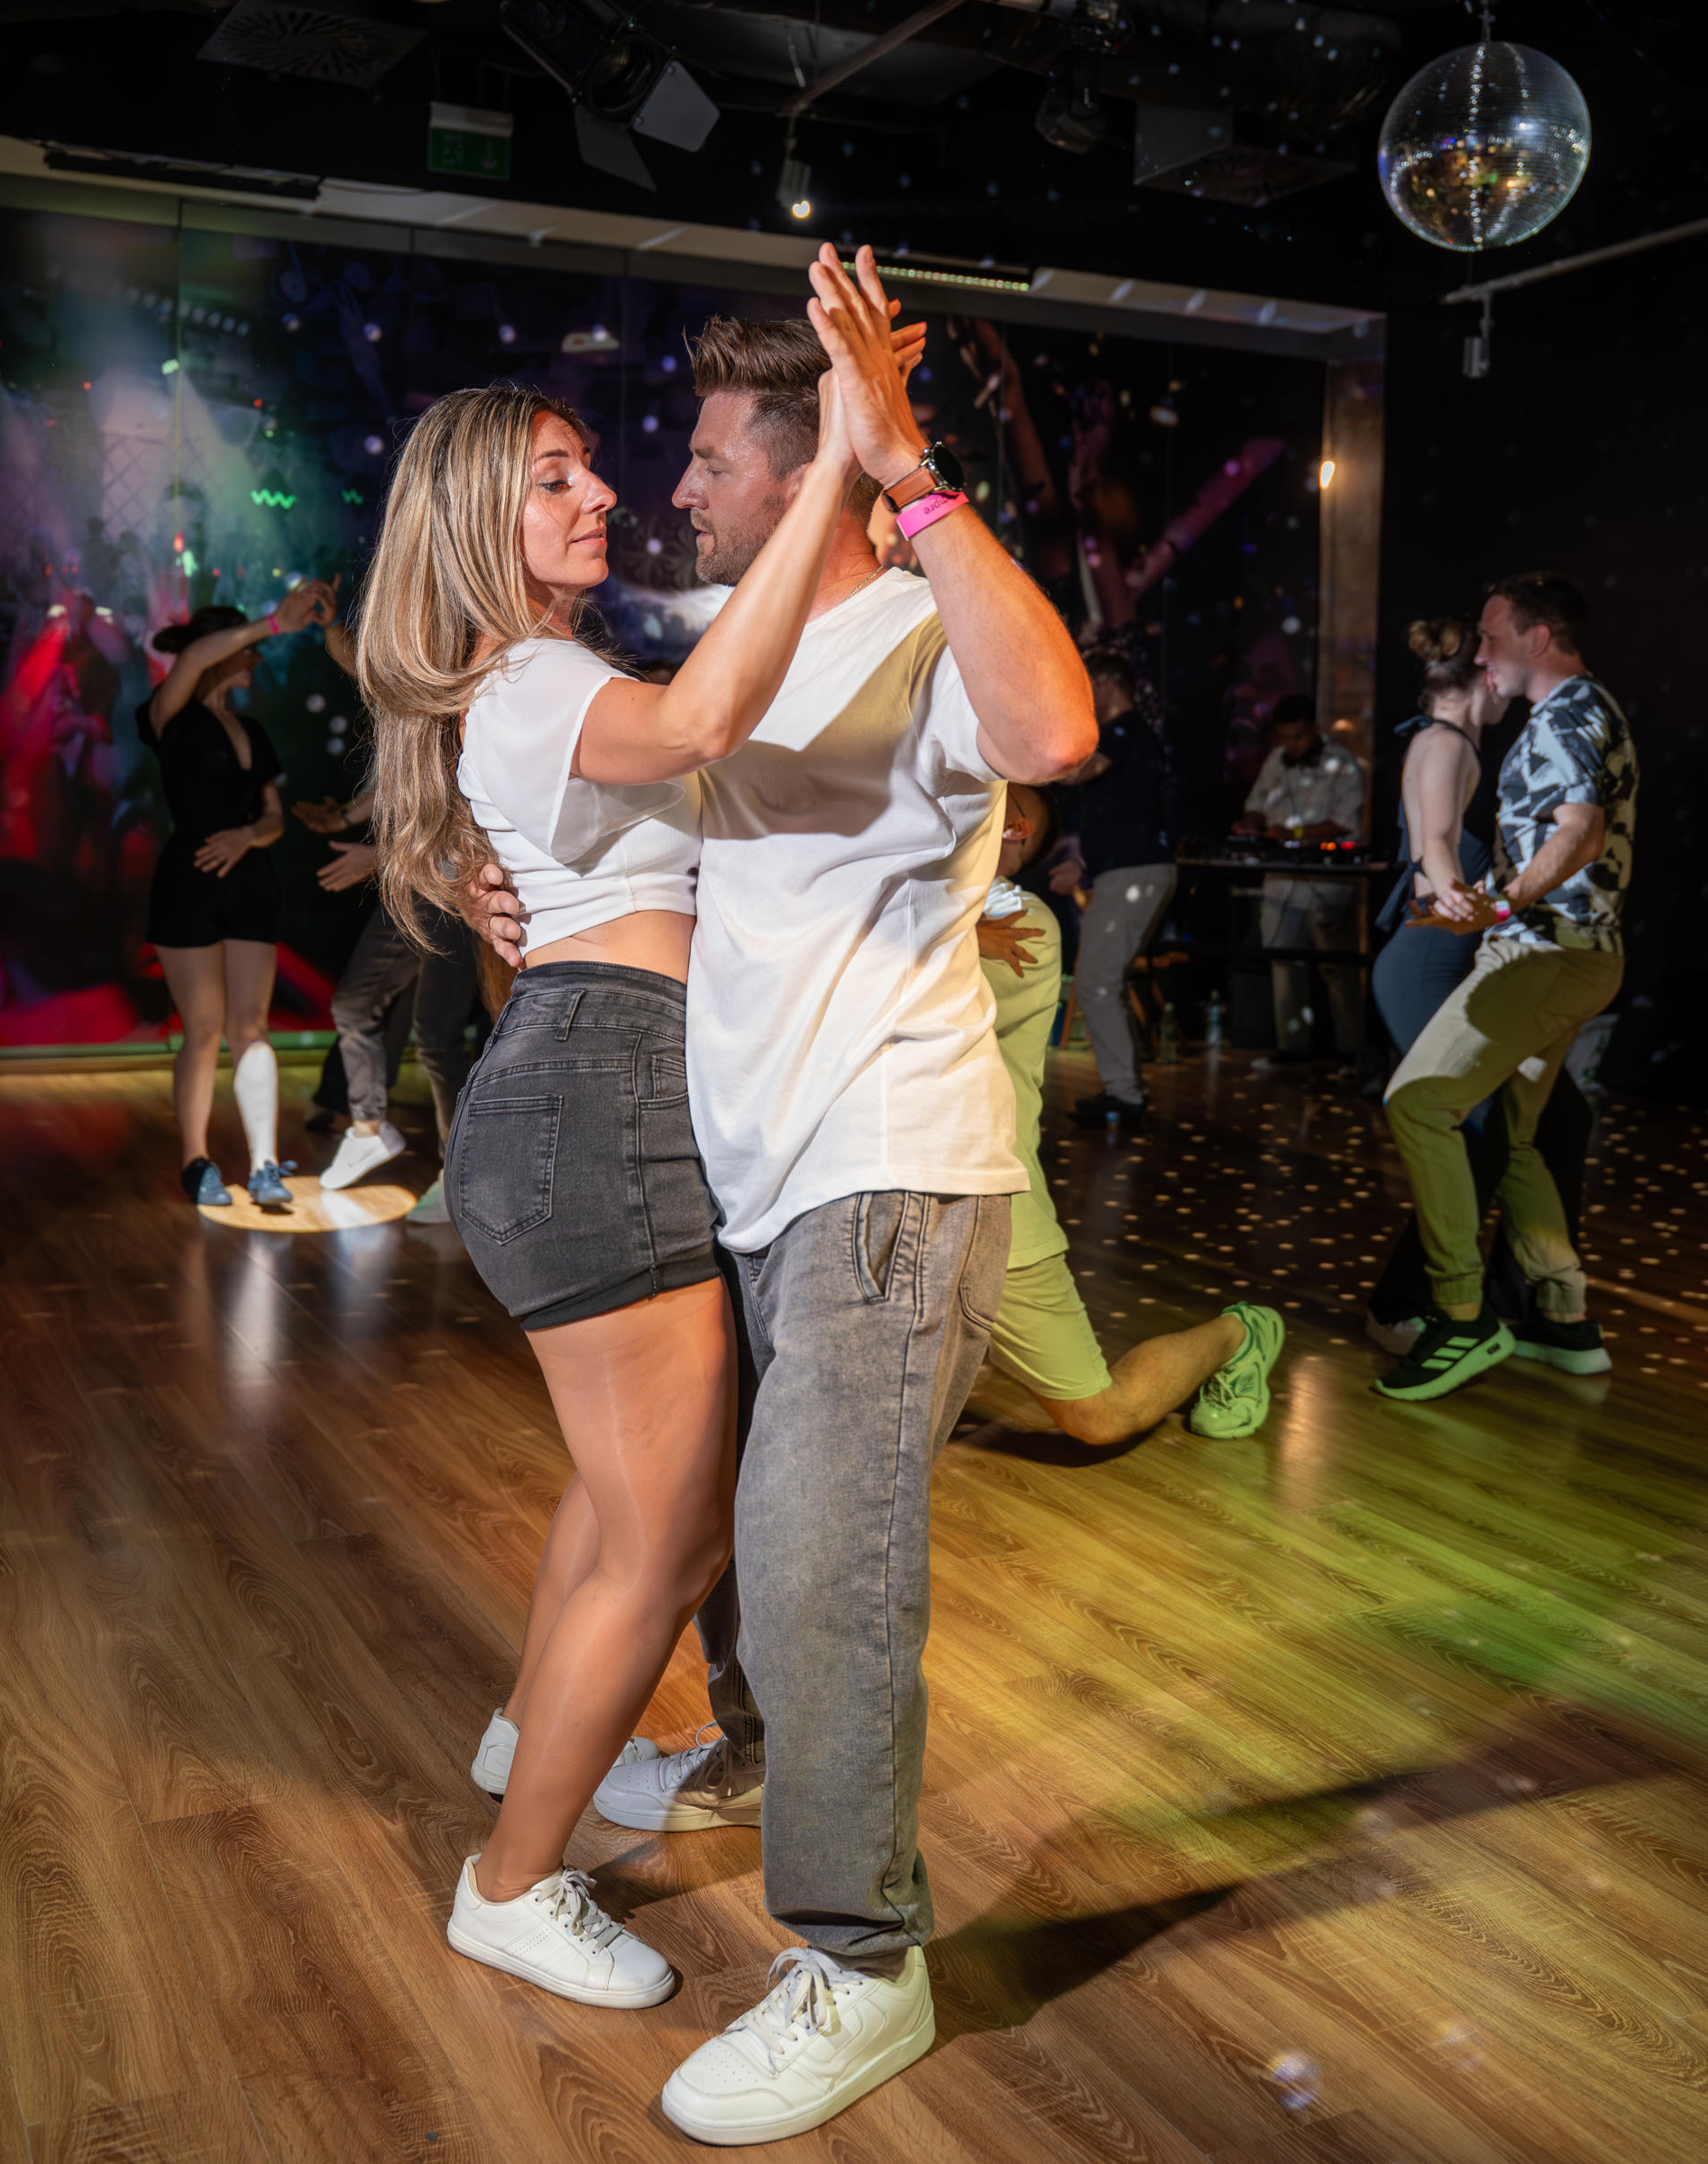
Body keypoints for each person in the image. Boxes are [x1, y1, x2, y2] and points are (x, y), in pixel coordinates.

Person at [473, 244, 1097, 2144]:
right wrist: (493, 894)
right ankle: (751, 1760)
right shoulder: (740, 659)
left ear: (806, 458)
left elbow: (1052, 738)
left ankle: (861, 1962)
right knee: (750, 1540)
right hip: (752, 1176)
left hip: (881, 1163)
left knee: (826, 1561)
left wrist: (906, 467)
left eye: (709, 456)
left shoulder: (915, 613)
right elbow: (642, 848)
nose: (674, 485)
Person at [363, 252, 940, 2057]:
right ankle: (511, 1879)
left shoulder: (536, 681)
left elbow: (690, 821)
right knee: (672, 1534)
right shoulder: (536, 679)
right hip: (597, 1101)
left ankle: (536, 1742)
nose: (604, 489)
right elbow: (701, 729)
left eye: (590, 466)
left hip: (597, 1091)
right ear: (476, 521)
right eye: (554, 478)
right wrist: (844, 469)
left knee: (619, 1509)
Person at [1375, 573, 1637, 1402]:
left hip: (1541, 955)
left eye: (1492, 637)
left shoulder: (1567, 713)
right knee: (1516, 1138)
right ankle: (1563, 1319)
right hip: (1570, 953)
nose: (1480, 652)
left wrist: (1503, 903)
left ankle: (1460, 1316)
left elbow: (1581, 833)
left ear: (1538, 636)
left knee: (1418, 1103)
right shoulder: (1574, 713)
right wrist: (1482, 901)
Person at [978, 784, 1285, 1441]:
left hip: (990, 1205)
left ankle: (1240, 1333)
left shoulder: (1020, 921)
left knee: (1098, 1415)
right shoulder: (919, 906)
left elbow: (907, 1002)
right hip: (889, 1194)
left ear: (1017, 832)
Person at [138, 582, 335, 1206]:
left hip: (251, 881)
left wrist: (248, 836)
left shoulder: (251, 728)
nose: (253, 657)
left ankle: (265, 1165)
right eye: (244, 648)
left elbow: (272, 818)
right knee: (203, 1029)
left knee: (251, 1024)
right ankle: (195, 1163)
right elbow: (194, 659)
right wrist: (273, 623)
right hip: (190, 878)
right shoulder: (168, 716)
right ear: (221, 649)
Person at [295, 617, 477, 1220]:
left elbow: (459, 800)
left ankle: (458, 1174)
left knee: (438, 1034)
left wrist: (374, 855)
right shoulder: (414, 696)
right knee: (358, 1006)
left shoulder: (459, 696)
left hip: (455, 887)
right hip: (418, 883)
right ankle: (371, 1129)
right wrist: (345, 818)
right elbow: (402, 778)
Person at [1057, 647, 1178, 1130]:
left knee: (1096, 982)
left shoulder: (1124, 731)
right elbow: (1123, 814)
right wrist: (1084, 865)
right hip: (1128, 872)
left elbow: (1079, 771)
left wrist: (1023, 759)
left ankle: (1124, 1094)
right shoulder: (1132, 737)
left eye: (1086, 685)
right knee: (1102, 980)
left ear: (1106, 684)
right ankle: (1123, 1089)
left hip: (1134, 876)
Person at [1235, 692, 1365, 1065]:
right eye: (1284, 737)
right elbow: (1257, 804)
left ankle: (1352, 1053)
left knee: (1337, 969)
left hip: (1327, 881)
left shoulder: (1343, 764)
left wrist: (1291, 834)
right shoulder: (1276, 761)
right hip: (1280, 879)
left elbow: (1345, 824)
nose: (1291, 745)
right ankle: (1291, 1048)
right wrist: (1251, 825)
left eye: (1298, 737)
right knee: (1283, 963)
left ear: (1315, 729)